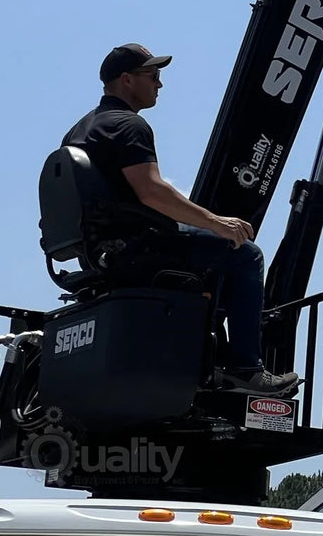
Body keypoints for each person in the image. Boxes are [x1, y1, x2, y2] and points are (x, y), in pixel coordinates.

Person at [62, 43, 298, 396]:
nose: (160, 84)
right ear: (126, 80)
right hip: (136, 248)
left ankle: (206, 353)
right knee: (245, 254)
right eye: (153, 76)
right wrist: (217, 223)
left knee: (211, 252)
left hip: (102, 250)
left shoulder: (80, 130)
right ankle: (247, 369)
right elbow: (152, 192)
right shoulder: (129, 125)